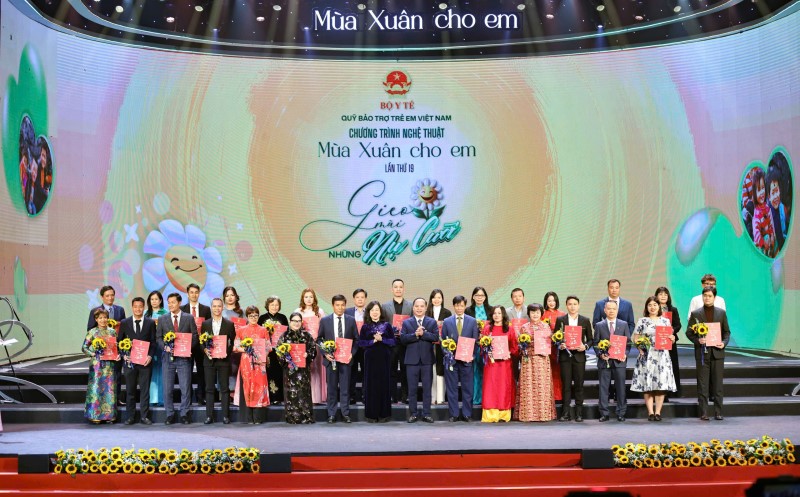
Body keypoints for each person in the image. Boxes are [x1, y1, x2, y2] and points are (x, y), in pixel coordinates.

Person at [687, 286, 731, 421]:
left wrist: (724, 343)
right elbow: (689, 333)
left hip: (717, 353)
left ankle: (718, 412)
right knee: (703, 384)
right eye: (705, 295)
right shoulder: (696, 314)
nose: (707, 298)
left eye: (710, 296)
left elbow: (726, 332)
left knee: (718, 385)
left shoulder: (721, 313)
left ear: (714, 297)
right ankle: (704, 412)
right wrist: (697, 340)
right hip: (702, 353)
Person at [631, 297, 676, 421]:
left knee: (660, 384)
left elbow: (670, 337)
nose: (652, 307)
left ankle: (658, 412)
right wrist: (640, 348)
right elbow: (635, 338)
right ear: (647, 307)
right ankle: (650, 412)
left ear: (659, 306)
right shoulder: (642, 321)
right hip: (647, 355)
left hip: (662, 356)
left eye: (655, 304)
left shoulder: (665, 321)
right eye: (650, 305)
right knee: (648, 384)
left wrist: (672, 338)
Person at [156, 293, 198, 425]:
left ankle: (184, 413)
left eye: (173, 302)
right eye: (169, 302)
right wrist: (165, 347)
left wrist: (187, 348)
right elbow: (158, 338)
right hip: (167, 358)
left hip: (184, 358)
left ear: (179, 303)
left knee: (185, 387)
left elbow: (195, 336)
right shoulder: (162, 318)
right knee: (167, 388)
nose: (170, 305)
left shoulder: (188, 318)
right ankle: (169, 414)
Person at [317, 294, 359, 423]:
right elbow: (319, 339)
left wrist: (352, 353)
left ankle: (345, 413)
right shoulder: (325, 320)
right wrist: (325, 353)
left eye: (342, 305)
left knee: (345, 388)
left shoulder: (351, 320)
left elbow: (356, 340)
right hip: (331, 360)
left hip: (346, 360)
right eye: (337, 305)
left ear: (345, 306)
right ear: (332, 305)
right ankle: (331, 414)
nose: (340, 308)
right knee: (332, 388)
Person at [553, 296, 593, 422]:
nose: (572, 306)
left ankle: (579, 413)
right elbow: (555, 338)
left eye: (575, 304)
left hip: (579, 357)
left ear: (579, 305)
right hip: (565, 357)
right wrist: (560, 345)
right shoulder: (561, 320)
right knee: (566, 385)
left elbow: (591, 340)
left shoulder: (585, 320)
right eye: (570, 304)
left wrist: (585, 346)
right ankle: (565, 413)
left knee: (579, 385)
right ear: (566, 305)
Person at [440, 295, 479, 422]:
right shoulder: (447, 321)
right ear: (453, 306)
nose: (459, 308)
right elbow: (443, 341)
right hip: (451, 361)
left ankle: (467, 414)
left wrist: (471, 356)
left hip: (467, 361)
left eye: (461, 305)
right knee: (452, 388)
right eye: (457, 305)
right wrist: (448, 354)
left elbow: (475, 341)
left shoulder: (472, 321)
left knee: (468, 388)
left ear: (465, 306)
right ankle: (454, 414)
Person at [515, 304, 556, 422]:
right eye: (532, 312)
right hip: (528, 360)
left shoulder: (546, 327)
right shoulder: (524, 327)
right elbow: (519, 346)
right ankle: (527, 414)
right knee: (528, 386)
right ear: (529, 313)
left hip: (542, 360)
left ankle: (543, 414)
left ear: (541, 313)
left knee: (542, 386)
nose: (535, 314)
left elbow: (549, 344)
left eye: (537, 312)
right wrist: (523, 346)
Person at [400, 297, 439, 423]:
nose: (419, 308)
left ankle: (427, 414)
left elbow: (436, 337)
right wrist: (415, 335)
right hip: (411, 361)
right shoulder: (407, 323)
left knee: (427, 389)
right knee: (412, 389)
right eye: (416, 306)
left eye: (422, 306)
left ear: (426, 308)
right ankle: (413, 414)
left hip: (427, 360)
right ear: (413, 308)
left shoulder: (431, 322)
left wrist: (424, 334)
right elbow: (403, 339)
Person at [119, 297, 156, 425]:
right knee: (130, 390)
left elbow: (153, 342)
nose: (138, 309)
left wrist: (150, 356)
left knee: (145, 391)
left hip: (145, 362)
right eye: (135, 306)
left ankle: (144, 416)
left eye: (140, 306)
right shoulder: (125, 322)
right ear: (132, 307)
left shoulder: (150, 323)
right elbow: (119, 341)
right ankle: (130, 417)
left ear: (144, 307)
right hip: (130, 362)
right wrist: (124, 355)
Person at [357, 301, 396, 423]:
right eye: (372, 310)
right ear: (369, 312)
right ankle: (371, 415)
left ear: (380, 312)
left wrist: (382, 339)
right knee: (371, 385)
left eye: (377, 310)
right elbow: (361, 343)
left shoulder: (387, 325)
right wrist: (373, 341)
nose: (375, 312)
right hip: (370, 359)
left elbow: (393, 341)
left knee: (384, 384)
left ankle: (384, 414)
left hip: (384, 358)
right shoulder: (365, 327)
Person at [593, 300, 631, 422]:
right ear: (604, 310)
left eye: (614, 309)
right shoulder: (599, 325)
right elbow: (595, 344)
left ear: (617, 310)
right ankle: (604, 413)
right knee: (603, 388)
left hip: (619, 362)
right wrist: (600, 354)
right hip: (604, 362)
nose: (611, 311)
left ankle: (621, 413)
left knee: (620, 388)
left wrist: (625, 354)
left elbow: (628, 343)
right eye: (609, 309)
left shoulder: (624, 324)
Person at [480, 306, 519, 423]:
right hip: (491, 364)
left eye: (499, 313)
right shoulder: (487, 329)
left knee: (503, 387)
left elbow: (515, 347)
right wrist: (486, 350)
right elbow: (482, 346)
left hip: (504, 364)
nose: (496, 315)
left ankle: (503, 414)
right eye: (494, 313)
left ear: (503, 315)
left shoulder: (509, 329)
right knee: (490, 387)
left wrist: (509, 352)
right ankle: (490, 414)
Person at [82, 308, 120, 424]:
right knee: (96, 389)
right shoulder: (92, 332)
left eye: (105, 317)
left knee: (109, 389)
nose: (103, 320)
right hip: (97, 365)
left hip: (109, 365)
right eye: (100, 318)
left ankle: (109, 415)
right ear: (96, 319)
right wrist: (93, 354)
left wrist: (117, 356)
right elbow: (84, 347)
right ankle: (94, 415)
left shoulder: (112, 332)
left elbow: (115, 348)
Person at [278, 312, 317, 424]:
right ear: (290, 322)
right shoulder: (284, 336)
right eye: (294, 321)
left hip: (303, 370)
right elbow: (279, 351)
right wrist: (284, 358)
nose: (297, 323)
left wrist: (307, 355)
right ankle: (292, 417)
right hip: (289, 371)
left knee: (304, 392)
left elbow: (313, 350)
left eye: (299, 321)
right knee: (291, 392)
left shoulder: (306, 335)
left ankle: (306, 416)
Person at [233, 306, 270, 424]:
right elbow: (235, 347)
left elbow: (268, 347)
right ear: (247, 317)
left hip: (260, 363)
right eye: (251, 316)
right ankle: (248, 418)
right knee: (247, 387)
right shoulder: (241, 330)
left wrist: (261, 355)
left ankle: (258, 418)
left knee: (259, 387)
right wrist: (246, 349)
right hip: (246, 363)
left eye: (256, 315)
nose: (253, 318)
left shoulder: (263, 330)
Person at [201, 298, 235, 424]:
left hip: (223, 361)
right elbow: (201, 342)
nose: (217, 308)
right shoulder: (205, 324)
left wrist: (226, 352)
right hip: (209, 360)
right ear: (211, 308)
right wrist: (205, 350)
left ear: (223, 307)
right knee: (209, 388)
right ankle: (209, 416)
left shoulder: (229, 324)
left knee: (224, 388)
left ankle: (225, 416)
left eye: (219, 306)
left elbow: (233, 342)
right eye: (214, 306)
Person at [381, 279, 412, 404]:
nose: (398, 289)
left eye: (400, 287)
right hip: (391, 343)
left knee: (405, 370)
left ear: (404, 289)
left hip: (405, 343)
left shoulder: (411, 305)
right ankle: (392, 396)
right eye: (396, 287)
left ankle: (406, 396)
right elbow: (382, 324)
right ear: (392, 289)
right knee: (391, 370)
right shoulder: (384, 306)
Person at [181, 283, 211, 406]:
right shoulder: (182, 309)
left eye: (196, 292)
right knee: (186, 372)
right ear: (187, 294)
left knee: (201, 372)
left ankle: (200, 397)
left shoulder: (206, 309)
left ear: (199, 294)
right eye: (191, 292)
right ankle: (188, 398)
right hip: (186, 345)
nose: (194, 295)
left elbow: (208, 326)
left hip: (201, 345)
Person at [295, 288, 326, 404]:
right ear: (303, 298)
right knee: (306, 370)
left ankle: (317, 397)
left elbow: (324, 328)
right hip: (303, 346)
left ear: (314, 298)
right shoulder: (298, 311)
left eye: (311, 297)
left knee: (317, 369)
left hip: (316, 344)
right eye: (306, 297)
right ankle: (305, 396)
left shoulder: (319, 311)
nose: (308, 299)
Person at [258, 296, 288, 405]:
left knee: (280, 372)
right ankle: (271, 396)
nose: (274, 307)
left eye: (276, 305)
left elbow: (286, 333)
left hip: (279, 350)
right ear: (267, 305)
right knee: (269, 372)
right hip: (267, 351)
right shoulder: (262, 318)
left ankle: (280, 397)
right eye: (272, 305)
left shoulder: (283, 318)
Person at [465, 286, 491, 406]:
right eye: (477, 295)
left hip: (487, 345)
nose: (479, 298)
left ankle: (487, 397)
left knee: (487, 371)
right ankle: (476, 398)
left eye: (482, 295)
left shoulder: (491, 310)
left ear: (485, 297)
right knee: (474, 372)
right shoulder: (468, 310)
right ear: (473, 297)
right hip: (473, 345)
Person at [654, 286, 682, 398]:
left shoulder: (673, 310)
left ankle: (672, 392)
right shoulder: (653, 308)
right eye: (660, 294)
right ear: (656, 296)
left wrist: (672, 330)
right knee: (659, 366)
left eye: (665, 294)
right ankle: (659, 392)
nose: (663, 296)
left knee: (672, 365)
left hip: (670, 341)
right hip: (656, 341)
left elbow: (678, 325)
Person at [426, 289, 451, 406]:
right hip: (429, 345)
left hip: (442, 345)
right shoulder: (427, 312)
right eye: (434, 297)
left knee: (441, 370)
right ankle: (432, 397)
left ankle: (440, 398)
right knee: (431, 370)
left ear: (442, 299)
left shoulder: (447, 313)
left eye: (439, 297)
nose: (436, 300)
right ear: (431, 299)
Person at [345, 288, 368, 405]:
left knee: (365, 372)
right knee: (351, 372)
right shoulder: (347, 312)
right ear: (354, 299)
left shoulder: (369, 312)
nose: (360, 299)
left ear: (365, 299)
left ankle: (365, 395)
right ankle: (351, 396)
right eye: (357, 297)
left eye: (362, 297)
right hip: (351, 346)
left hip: (365, 346)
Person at [144, 291, 167, 406]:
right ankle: (152, 399)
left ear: (160, 300)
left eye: (156, 299)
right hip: (149, 347)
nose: (154, 301)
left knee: (162, 372)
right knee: (151, 372)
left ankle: (162, 399)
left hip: (162, 346)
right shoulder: (145, 313)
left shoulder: (166, 313)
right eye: (152, 299)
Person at [542, 291, 565, 403]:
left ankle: (558, 396)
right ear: (546, 302)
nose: (551, 303)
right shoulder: (542, 314)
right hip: (546, 347)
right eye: (549, 301)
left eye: (553, 300)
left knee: (558, 371)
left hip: (559, 347)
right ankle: (547, 395)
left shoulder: (562, 314)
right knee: (547, 371)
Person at [750, 167, 777, 257]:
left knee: (774, 239)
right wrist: (763, 243)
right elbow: (756, 233)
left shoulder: (767, 208)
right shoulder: (756, 214)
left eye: (763, 188)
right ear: (754, 193)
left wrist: (772, 235)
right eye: (758, 190)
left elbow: (771, 224)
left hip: (768, 241)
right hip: (761, 246)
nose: (762, 192)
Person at [767, 166, 788, 252]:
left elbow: (785, 232)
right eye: (773, 193)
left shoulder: (783, 209)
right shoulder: (766, 215)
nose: (776, 196)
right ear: (768, 196)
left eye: (777, 191)